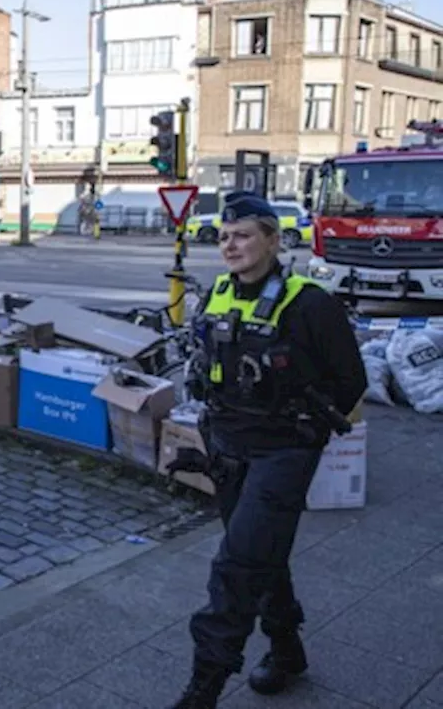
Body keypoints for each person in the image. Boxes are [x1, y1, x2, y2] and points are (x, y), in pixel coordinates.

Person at [166, 191, 368, 708]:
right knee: (261, 555)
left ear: (273, 240)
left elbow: (350, 381)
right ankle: (286, 649)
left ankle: (203, 686)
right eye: (224, 237)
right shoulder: (216, 294)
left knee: (235, 567)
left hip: (282, 453)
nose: (230, 246)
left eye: (243, 235)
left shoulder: (310, 303)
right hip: (227, 446)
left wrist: (304, 435)